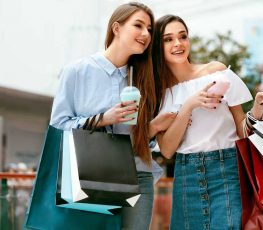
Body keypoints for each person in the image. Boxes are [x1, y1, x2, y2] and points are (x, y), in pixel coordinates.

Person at [50, 2, 176, 229]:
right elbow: (58, 126)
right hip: (89, 175)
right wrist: (104, 118)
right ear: (116, 28)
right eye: (138, 25)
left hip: (139, 175)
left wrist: (153, 128)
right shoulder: (77, 71)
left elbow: (142, 141)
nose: (146, 34)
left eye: (149, 29)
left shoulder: (146, 79)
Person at [152, 15, 263, 229]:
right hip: (186, 175)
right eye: (168, 39)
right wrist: (189, 106)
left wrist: (257, 109)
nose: (178, 44)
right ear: (157, 46)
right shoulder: (159, 93)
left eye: (183, 36)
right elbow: (167, 149)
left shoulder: (216, 72)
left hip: (227, 170)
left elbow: (241, 130)